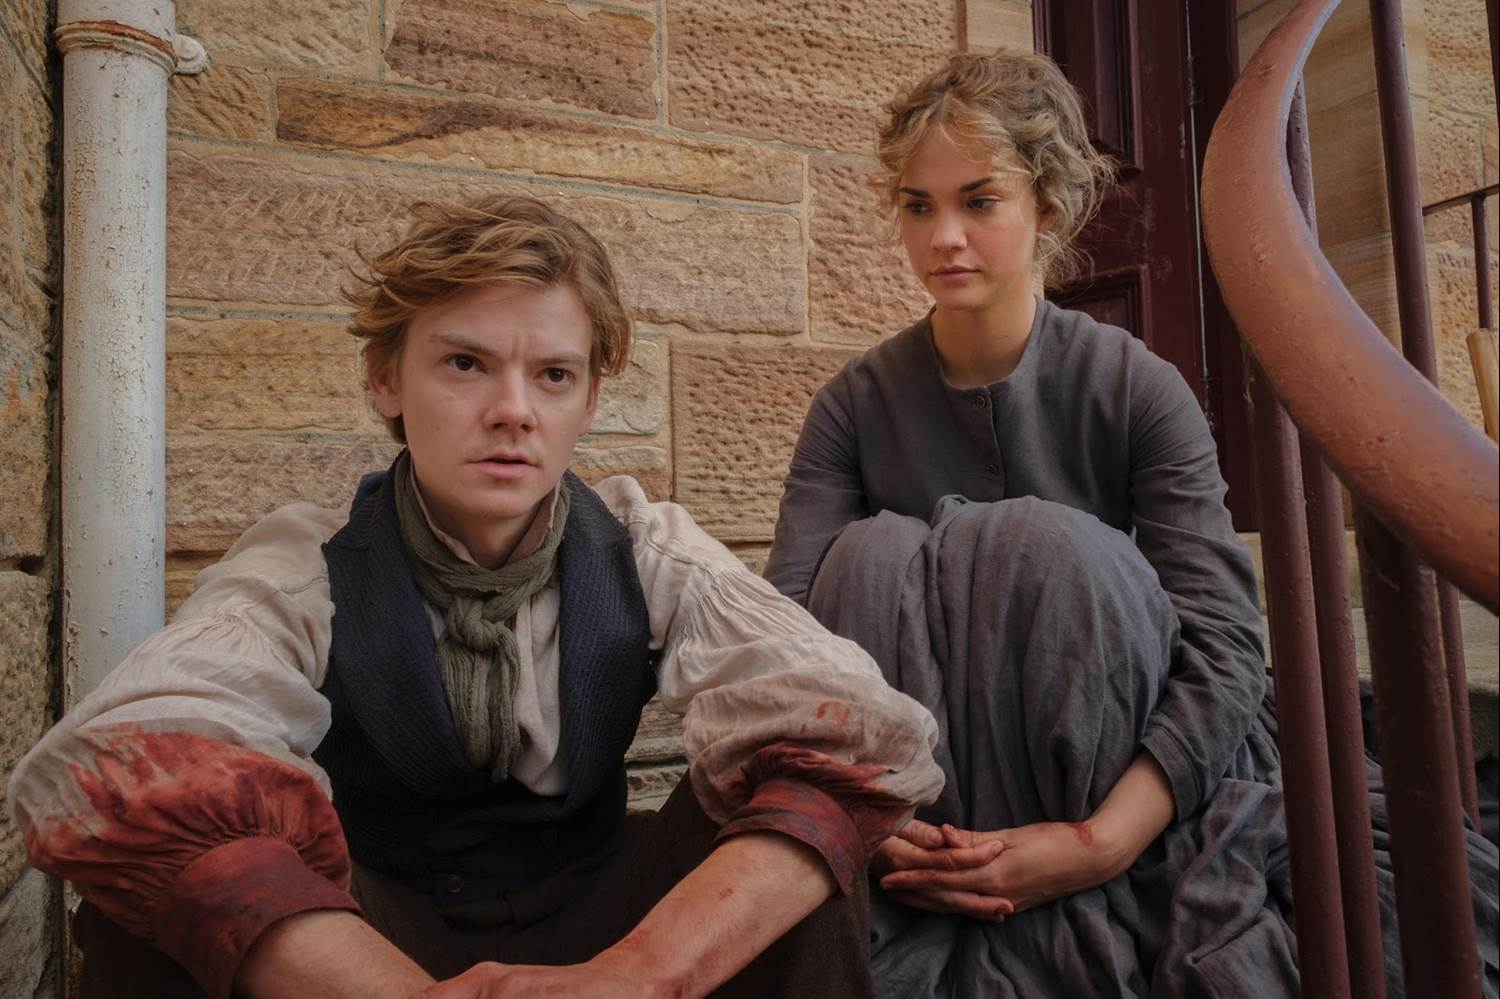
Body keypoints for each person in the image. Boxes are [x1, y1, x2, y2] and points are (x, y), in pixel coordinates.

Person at [8, 195, 946, 999]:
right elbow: (119, 772)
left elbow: (857, 732)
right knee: (153, 896)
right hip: (373, 933)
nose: (513, 412)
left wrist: (641, 974)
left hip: (605, 918)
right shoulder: (308, 560)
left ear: (588, 400)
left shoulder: (644, 544)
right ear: (386, 379)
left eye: (553, 375)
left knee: (805, 843)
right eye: (465, 363)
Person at [765, 51, 1499, 997]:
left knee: (1049, 554)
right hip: (924, 803)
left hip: (1123, 775)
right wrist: (869, 821)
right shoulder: (850, 406)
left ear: (1048, 207)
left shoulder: (1137, 386)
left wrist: (1098, 841)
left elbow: (1226, 643)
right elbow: (783, 638)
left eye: (979, 201)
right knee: (867, 561)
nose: (943, 236)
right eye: (918, 205)